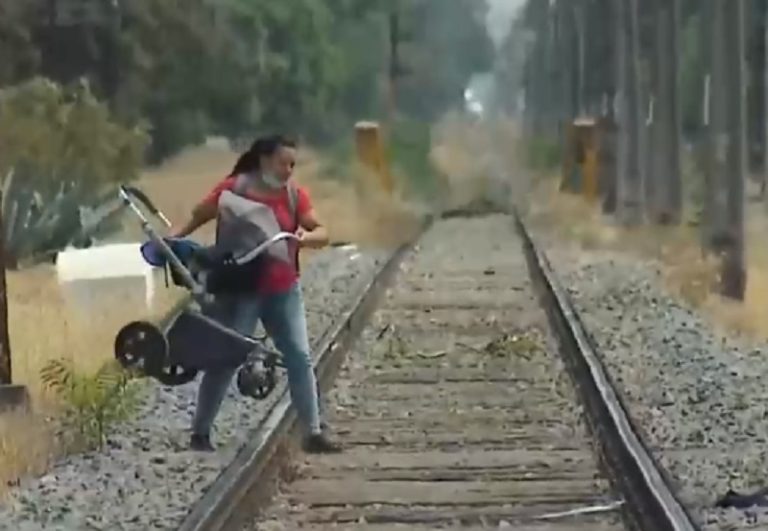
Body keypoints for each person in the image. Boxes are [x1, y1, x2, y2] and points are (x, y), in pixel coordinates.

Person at [170, 134, 342, 454]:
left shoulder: (294, 196)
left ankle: (313, 432)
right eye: (283, 163)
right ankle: (200, 433)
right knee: (225, 359)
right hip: (241, 290)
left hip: (283, 289)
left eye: (292, 164)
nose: (288, 170)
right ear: (264, 160)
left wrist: (307, 238)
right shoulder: (233, 190)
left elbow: (322, 231)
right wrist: (170, 242)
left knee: (300, 356)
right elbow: (198, 215)